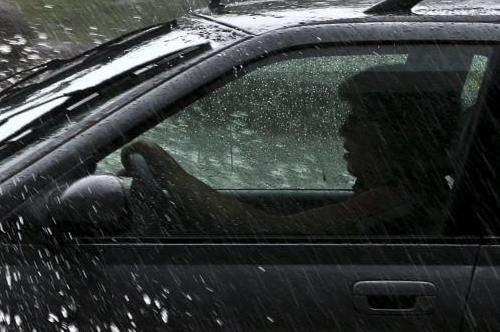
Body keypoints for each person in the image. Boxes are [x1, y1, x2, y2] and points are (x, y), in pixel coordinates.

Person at [120, 65, 463, 236]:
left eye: (357, 119)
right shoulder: (416, 193)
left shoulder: (391, 201)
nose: (343, 129)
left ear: (395, 133)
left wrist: (166, 168)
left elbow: (265, 233)